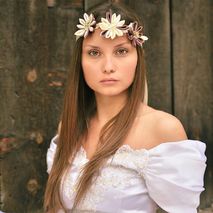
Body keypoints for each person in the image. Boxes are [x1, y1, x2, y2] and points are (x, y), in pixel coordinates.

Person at [44, 2, 207, 213]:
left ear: (138, 58)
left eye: (121, 51)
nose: (108, 66)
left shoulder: (163, 129)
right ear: (80, 61)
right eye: (94, 53)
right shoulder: (69, 126)